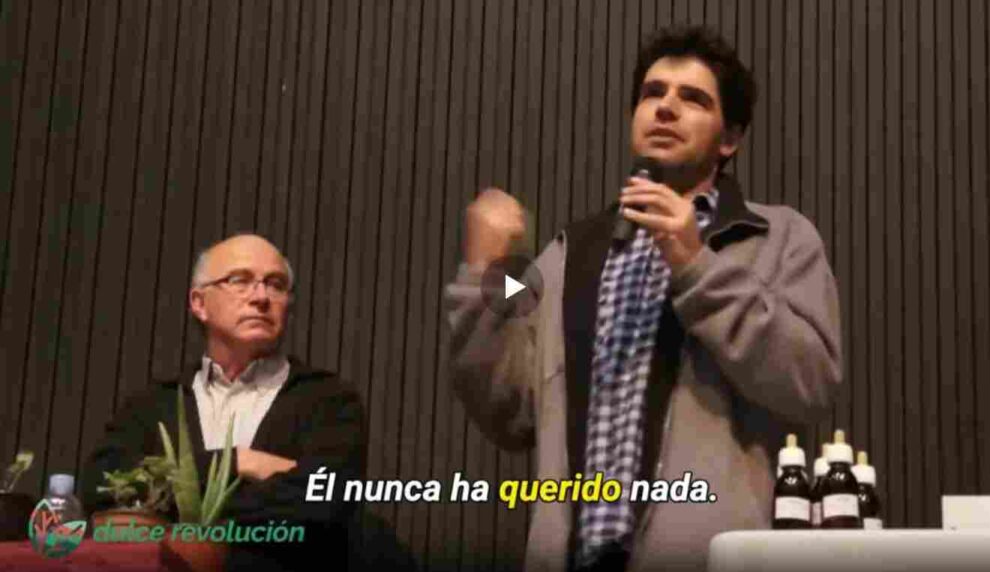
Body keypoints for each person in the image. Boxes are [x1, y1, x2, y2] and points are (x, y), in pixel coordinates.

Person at [445, 25, 842, 572]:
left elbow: (812, 382)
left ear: (729, 139)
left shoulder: (777, 238)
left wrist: (695, 263)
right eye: (653, 93)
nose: (666, 107)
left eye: (693, 98)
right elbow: (508, 412)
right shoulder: (566, 254)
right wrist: (483, 275)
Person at [82, 234, 368, 571]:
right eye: (239, 281)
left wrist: (174, 511)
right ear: (199, 303)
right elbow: (103, 488)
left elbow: (326, 502)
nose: (261, 297)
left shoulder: (330, 401)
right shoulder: (151, 404)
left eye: (276, 285)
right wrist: (239, 462)